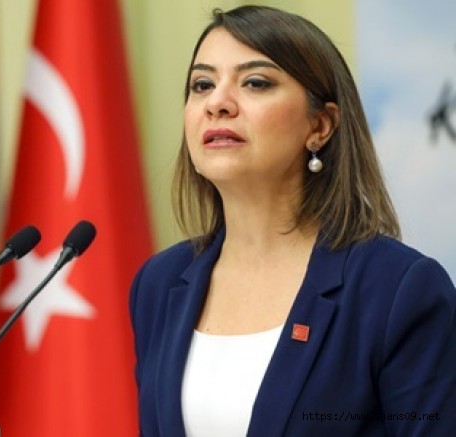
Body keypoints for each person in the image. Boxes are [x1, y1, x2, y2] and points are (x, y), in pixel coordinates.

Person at [129, 5, 456, 436]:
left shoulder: (399, 289)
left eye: (255, 83)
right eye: (202, 85)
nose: (217, 104)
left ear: (320, 126)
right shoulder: (159, 282)